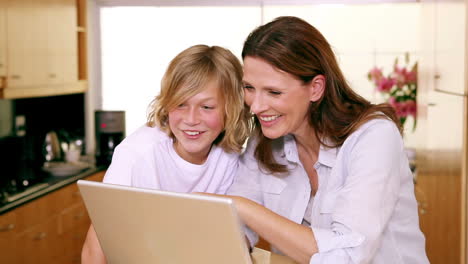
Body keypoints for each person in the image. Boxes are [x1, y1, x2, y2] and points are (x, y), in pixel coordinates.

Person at [224, 16, 429, 264]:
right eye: (249, 88)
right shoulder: (266, 138)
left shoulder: (373, 137)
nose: (256, 106)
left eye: (274, 92)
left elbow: (346, 256)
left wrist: (242, 208)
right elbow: (234, 227)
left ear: (316, 88)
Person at [81, 44, 251, 264]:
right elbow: (96, 246)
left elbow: (223, 238)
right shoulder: (137, 154)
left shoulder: (229, 157)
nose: (191, 119)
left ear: (232, 108)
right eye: (180, 104)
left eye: (207, 107)